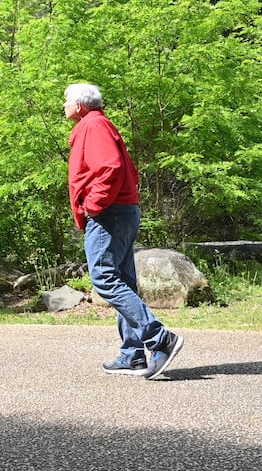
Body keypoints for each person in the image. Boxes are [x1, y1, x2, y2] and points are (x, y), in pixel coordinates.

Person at [64, 83, 185, 378]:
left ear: (80, 104)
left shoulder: (93, 126)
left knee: (104, 278)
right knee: (124, 281)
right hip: (121, 210)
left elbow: (112, 167)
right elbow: (128, 171)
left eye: (66, 100)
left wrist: (93, 205)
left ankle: (160, 339)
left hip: (110, 213)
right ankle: (133, 355)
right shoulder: (99, 125)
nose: (63, 105)